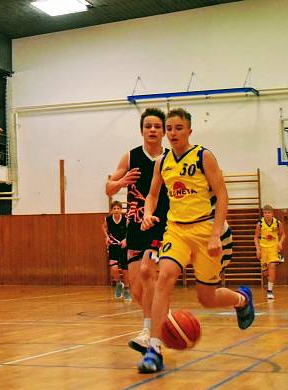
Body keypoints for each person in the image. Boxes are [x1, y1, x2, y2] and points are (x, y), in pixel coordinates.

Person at [138, 108, 253, 374]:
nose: (173, 133)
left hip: (205, 230)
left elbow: (222, 195)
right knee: (164, 276)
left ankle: (242, 299)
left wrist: (215, 234)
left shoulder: (204, 156)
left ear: (189, 130)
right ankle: (154, 350)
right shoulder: (161, 163)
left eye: (179, 128)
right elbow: (153, 195)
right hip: (176, 230)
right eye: (170, 128)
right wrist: (147, 213)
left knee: (207, 298)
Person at [105, 107, 170, 354]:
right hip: (134, 227)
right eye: (148, 126)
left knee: (147, 271)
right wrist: (120, 183)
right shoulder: (131, 157)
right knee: (135, 287)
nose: (152, 130)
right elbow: (109, 189)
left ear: (163, 131)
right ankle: (160, 315)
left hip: (160, 226)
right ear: (141, 130)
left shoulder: (171, 157)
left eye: (156, 126)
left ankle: (148, 330)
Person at [255, 205, 286, 299]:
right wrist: (257, 249)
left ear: (272, 213)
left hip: (273, 248)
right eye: (265, 213)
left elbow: (283, 234)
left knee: (272, 266)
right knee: (265, 272)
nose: (267, 214)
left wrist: (280, 243)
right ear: (263, 214)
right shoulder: (260, 223)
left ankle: (269, 290)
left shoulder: (277, 223)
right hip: (263, 248)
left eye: (269, 213)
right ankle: (270, 282)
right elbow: (255, 237)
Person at [102, 201, 128, 299]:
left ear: (121, 210)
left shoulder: (126, 219)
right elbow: (103, 227)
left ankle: (126, 289)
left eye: (118, 208)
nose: (116, 210)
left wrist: (126, 240)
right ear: (112, 210)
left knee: (125, 270)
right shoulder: (108, 219)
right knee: (114, 268)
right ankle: (118, 284)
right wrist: (107, 237)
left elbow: (130, 231)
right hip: (113, 246)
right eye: (114, 209)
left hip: (124, 246)